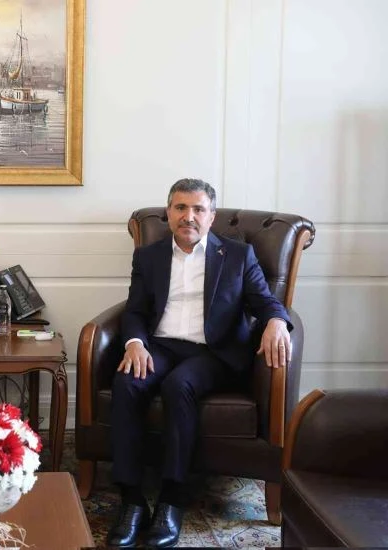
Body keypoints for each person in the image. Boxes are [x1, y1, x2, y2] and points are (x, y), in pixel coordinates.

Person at [107, 179, 292, 548]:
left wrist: (275, 320)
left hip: (213, 352)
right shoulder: (149, 256)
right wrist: (135, 343)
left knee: (179, 385)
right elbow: (136, 310)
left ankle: (171, 500)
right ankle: (131, 500)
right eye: (180, 208)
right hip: (160, 346)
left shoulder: (238, 255)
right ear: (168, 212)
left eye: (198, 209)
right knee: (127, 381)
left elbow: (265, 301)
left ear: (211, 216)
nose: (188, 216)